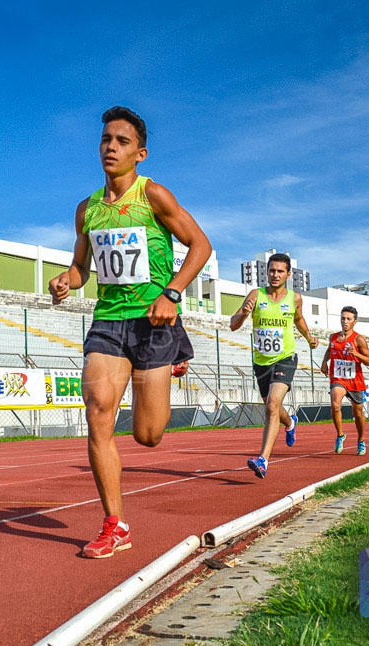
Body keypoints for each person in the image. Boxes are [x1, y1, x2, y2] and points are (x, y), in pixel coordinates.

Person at [49, 106, 212, 559]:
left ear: (139, 153)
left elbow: (201, 245)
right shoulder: (87, 210)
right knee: (98, 409)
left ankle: (175, 356)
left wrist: (174, 293)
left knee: (147, 435)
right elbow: (82, 268)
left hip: (154, 322)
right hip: (108, 321)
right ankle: (114, 524)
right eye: (105, 139)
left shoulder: (153, 195)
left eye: (121, 141)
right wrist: (67, 280)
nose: (110, 147)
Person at [230, 253, 318, 479]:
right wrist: (244, 313)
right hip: (261, 362)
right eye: (272, 270)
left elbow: (298, 319)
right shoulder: (255, 295)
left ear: (288, 274)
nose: (275, 275)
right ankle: (290, 422)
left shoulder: (295, 298)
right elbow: (233, 324)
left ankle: (263, 460)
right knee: (273, 408)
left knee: (271, 406)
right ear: (266, 272)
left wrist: (309, 337)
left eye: (280, 271)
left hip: (285, 358)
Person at [320, 306, 369, 455]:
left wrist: (356, 353)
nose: (345, 321)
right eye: (343, 318)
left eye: (348, 319)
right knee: (335, 405)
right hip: (338, 378)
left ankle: (361, 440)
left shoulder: (358, 339)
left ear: (354, 322)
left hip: (354, 380)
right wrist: (325, 362)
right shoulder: (333, 337)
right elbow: (329, 350)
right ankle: (340, 435)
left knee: (358, 414)